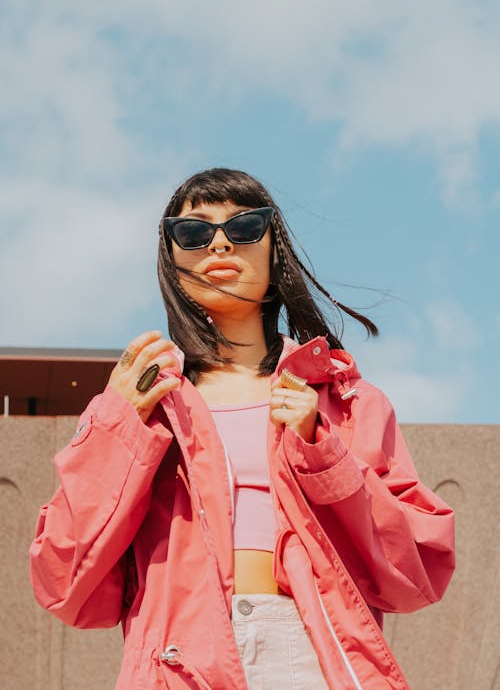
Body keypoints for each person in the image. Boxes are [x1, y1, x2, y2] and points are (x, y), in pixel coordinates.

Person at [30, 168, 455, 690]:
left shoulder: (344, 401)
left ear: (275, 249)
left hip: (306, 649)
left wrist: (324, 451)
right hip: (178, 658)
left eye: (245, 227)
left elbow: (419, 569)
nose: (220, 244)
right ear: (172, 258)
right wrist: (118, 424)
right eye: (193, 232)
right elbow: (62, 579)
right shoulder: (145, 404)